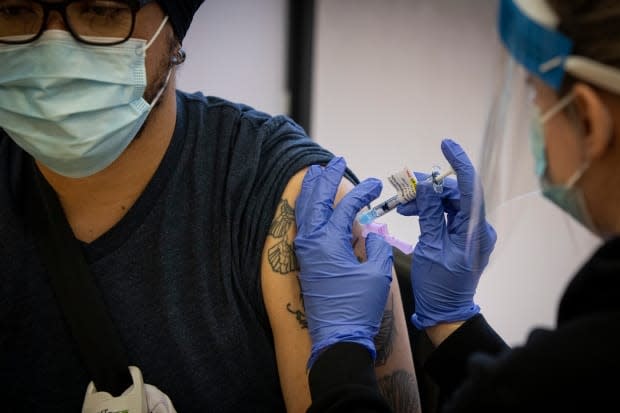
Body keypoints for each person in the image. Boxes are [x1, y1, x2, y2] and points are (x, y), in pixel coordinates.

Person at [0, 1, 420, 412]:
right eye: (14, 11)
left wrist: (458, 333)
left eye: (101, 11)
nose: (52, 47)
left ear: (173, 27)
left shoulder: (291, 199)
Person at [294, 0, 620, 412]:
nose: (535, 124)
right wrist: (454, 323)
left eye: (537, 101)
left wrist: (340, 351)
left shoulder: (592, 349)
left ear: (588, 120)